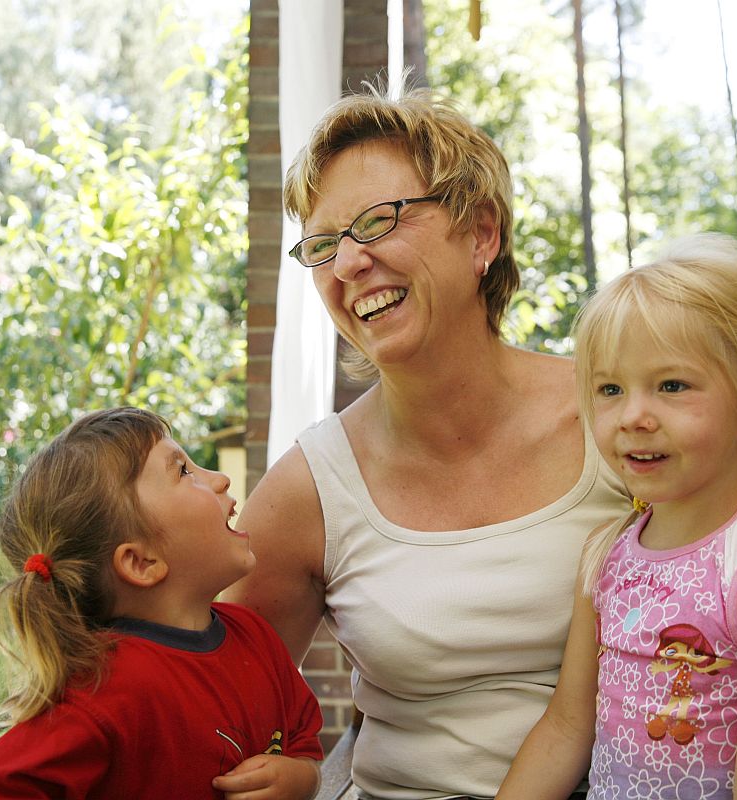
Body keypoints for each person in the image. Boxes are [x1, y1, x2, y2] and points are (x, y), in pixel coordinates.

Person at [222, 85, 630, 800]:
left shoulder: (617, 421)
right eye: (322, 245)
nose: (347, 264)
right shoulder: (314, 485)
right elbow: (208, 699)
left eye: (379, 222)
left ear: (481, 235)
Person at [497, 234, 737, 799]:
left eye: (671, 385)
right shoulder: (606, 555)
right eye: (609, 389)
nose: (633, 416)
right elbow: (565, 729)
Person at [0, 407, 323, 800]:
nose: (220, 479)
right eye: (183, 472)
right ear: (141, 562)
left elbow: (305, 745)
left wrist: (298, 779)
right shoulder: (106, 690)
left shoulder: (255, 637)